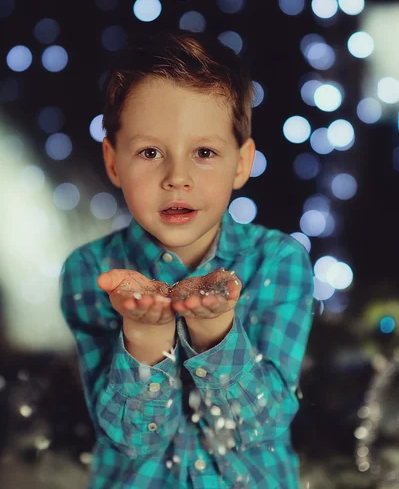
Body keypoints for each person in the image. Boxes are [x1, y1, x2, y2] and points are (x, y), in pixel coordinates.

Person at [59, 29, 315, 489]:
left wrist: (215, 333)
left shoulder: (281, 262)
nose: (177, 177)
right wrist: (144, 336)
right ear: (114, 161)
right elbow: (129, 439)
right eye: (150, 151)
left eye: (204, 152)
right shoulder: (88, 271)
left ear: (241, 163)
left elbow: (259, 429)